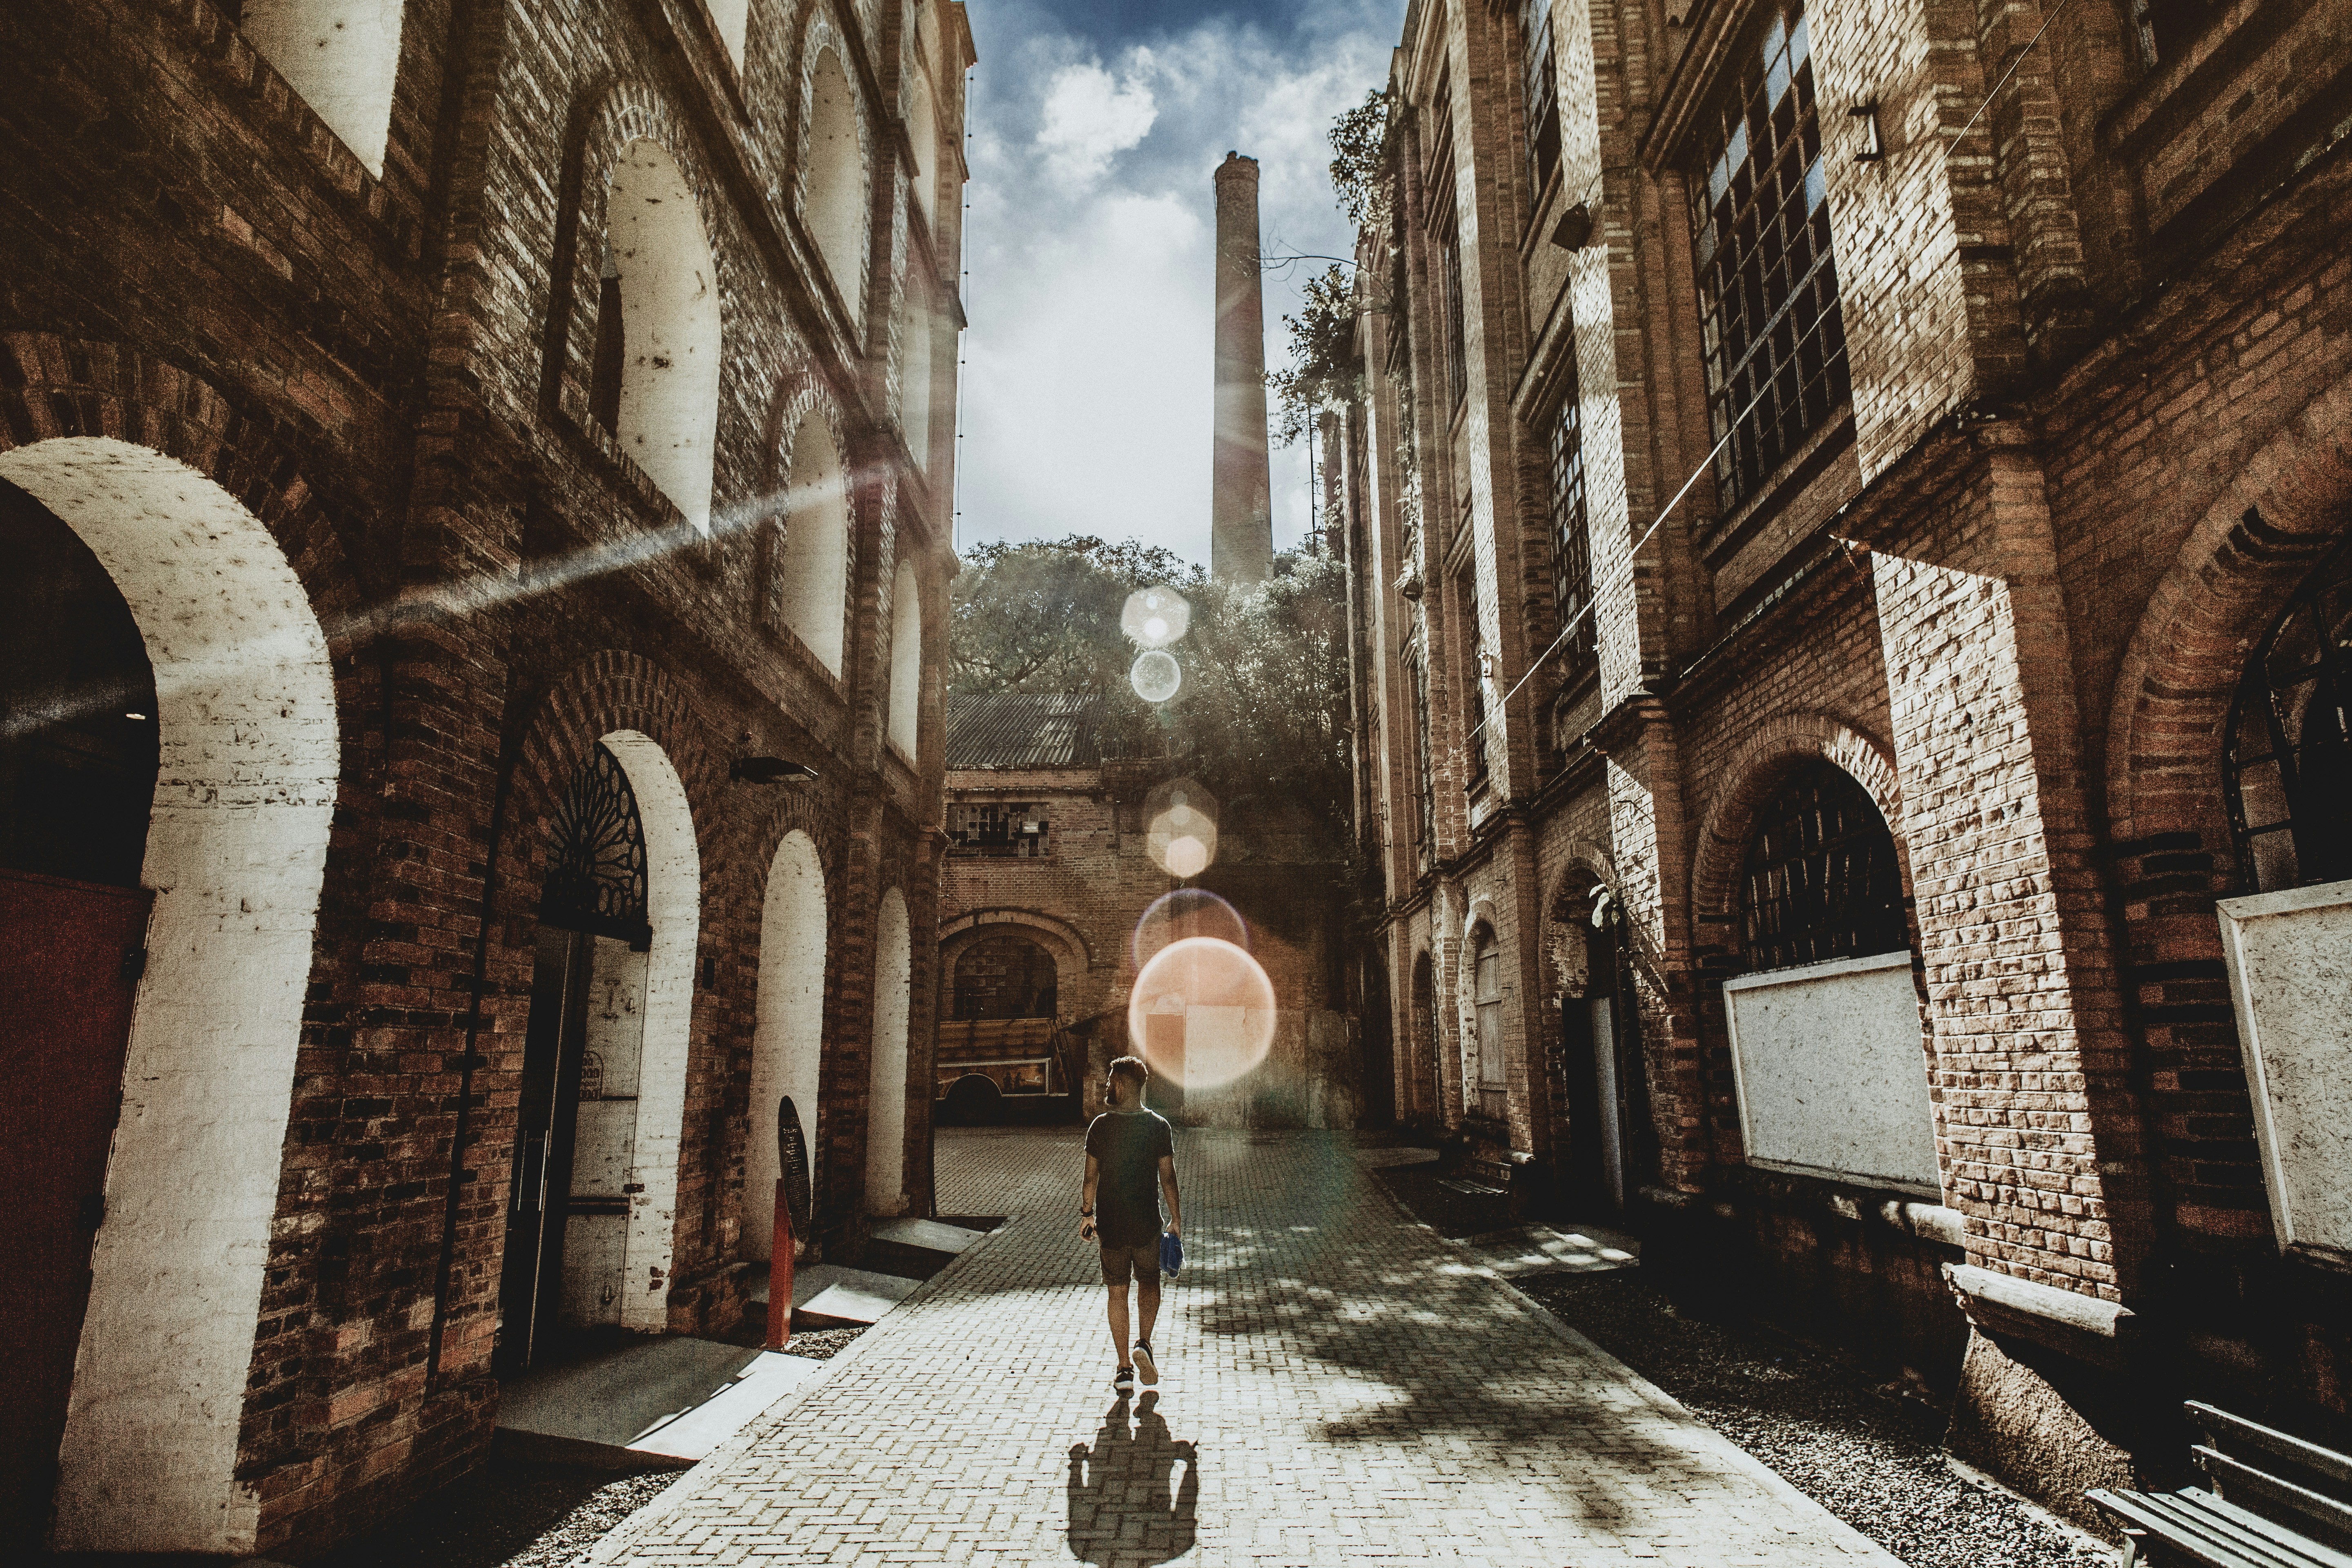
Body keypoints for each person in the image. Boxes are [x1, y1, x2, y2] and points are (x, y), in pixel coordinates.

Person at [1079, 1055, 1182, 1396]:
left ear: (1121, 1085)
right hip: (1147, 1226)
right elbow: (1168, 1178)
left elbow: (1090, 1177)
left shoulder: (1101, 1126)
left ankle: (1124, 1368)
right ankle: (1145, 1344)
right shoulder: (1158, 1126)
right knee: (1150, 1283)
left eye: (1110, 1080)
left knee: (1117, 1291)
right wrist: (1176, 1221)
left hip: (1111, 1228)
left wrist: (1087, 1215)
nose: (1107, 1085)